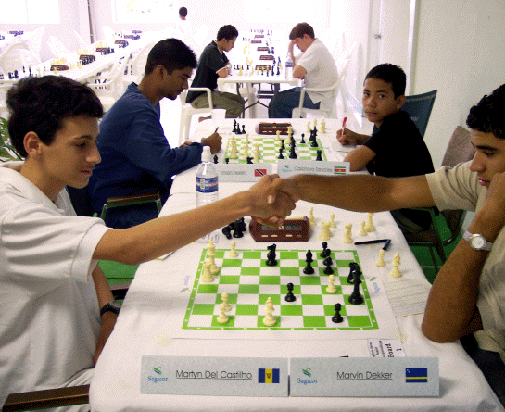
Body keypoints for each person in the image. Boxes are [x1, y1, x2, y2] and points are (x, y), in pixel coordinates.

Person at [0, 75, 294, 410]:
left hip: (95, 353)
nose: (95, 157)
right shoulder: (11, 216)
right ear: (34, 144)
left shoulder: (47, 186)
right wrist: (243, 204)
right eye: (81, 145)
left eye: (94, 142)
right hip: (55, 392)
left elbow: (85, 254)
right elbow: (130, 249)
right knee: (221, 383)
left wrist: (108, 311)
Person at [277, 79, 505, 412]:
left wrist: (488, 219)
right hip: (468, 327)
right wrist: (295, 186)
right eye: (476, 149)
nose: (476, 164)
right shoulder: (491, 176)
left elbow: (439, 325)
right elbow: (387, 192)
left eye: (489, 152)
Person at [89, 39, 222, 228]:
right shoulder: (138, 109)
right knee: (208, 216)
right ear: (161, 71)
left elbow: (154, 157)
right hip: (127, 205)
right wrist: (204, 148)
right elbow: (164, 165)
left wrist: (188, 150)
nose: (185, 86)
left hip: (139, 189)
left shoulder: (144, 101)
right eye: (182, 77)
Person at [336, 64, 435, 234]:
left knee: (343, 203)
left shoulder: (394, 128)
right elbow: (385, 145)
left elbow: (350, 164)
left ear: (399, 101)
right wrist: (360, 138)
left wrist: (363, 146)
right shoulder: (394, 121)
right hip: (401, 197)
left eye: (381, 96)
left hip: (411, 211)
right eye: (366, 94)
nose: (370, 103)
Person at [268, 22, 338, 118]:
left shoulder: (315, 49)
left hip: (319, 98)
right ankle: (287, 126)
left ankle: (282, 129)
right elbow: (295, 66)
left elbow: (296, 73)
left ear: (306, 37)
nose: (296, 45)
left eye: (297, 41)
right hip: (317, 93)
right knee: (277, 97)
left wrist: (291, 52)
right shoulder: (314, 46)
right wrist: (291, 49)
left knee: (277, 101)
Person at [185, 25, 244, 118]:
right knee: (237, 107)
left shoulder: (218, 50)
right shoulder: (212, 51)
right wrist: (226, 69)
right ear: (224, 40)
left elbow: (228, 64)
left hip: (209, 92)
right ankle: (206, 120)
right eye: (232, 43)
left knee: (240, 101)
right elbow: (223, 74)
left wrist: (226, 68)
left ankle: (224, 125)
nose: (233, 46)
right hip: (199, 97)